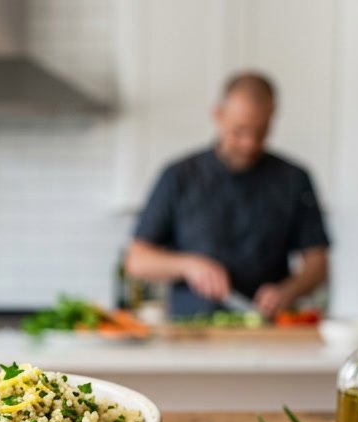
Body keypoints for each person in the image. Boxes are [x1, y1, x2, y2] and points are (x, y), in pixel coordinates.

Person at [124, 72, 330, 318]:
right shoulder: (178, 176)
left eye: (261, 132)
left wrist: (288, 290)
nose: (249, 143)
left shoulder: (294, 179)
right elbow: (137, 261)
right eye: (239, 131)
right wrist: (189, 266)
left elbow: (318, 264)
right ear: (218, 116)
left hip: (268, 330)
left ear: (272, 117)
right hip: (191, 331)